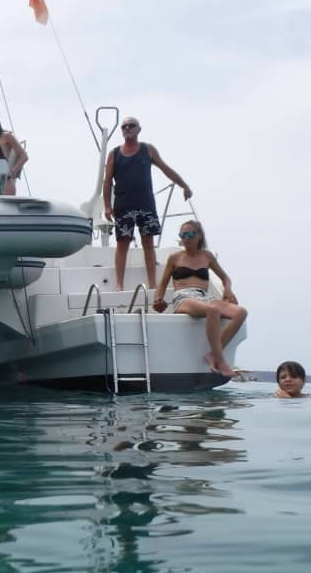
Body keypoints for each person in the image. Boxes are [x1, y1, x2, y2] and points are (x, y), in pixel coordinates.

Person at [102, 116, 192, 292]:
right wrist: (107, 205)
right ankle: (119, 284)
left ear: (138, 129)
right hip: (123, 206)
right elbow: (107, 182)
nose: (127, 129)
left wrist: (184, 186)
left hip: (146, 205)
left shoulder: (148, 150)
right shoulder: (114, 154)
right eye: (124, 127)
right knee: (122, 243)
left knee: (148, 244)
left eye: (131, 126)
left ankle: (152, 283)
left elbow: (166, 169)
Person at [152, 220, 248, 377]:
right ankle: (221, 361)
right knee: (213, 309)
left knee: (241, 312)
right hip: (183, 297)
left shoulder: (207, 256)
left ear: (199, 236)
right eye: (183, 235)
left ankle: (213, 354)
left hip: (204, 297)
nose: (186, 238)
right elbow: (162, 284)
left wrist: (228, 291)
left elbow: (225, 278)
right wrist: (158, 300)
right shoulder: (174, 258)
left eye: (190, 234)